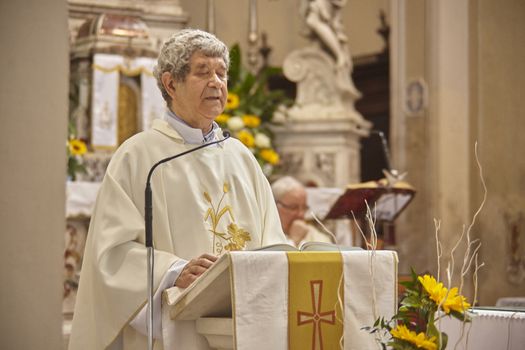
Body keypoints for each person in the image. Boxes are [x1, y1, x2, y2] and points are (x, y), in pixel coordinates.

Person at [69, 29, 286, 350]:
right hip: (179, 325)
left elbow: (272, 240)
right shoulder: (139, 156)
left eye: (222, 73)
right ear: (171, 84)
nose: (217, 82)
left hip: (244, 321)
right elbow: (110, 255)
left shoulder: (241, 156)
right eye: (203, 72)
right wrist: (173, 272)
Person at [271, 176, 334, 247]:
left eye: (304, 208)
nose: (301, 214)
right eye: (293, 207)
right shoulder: (265, 234)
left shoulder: (317, 237)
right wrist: (294, 241)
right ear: (275, 206)